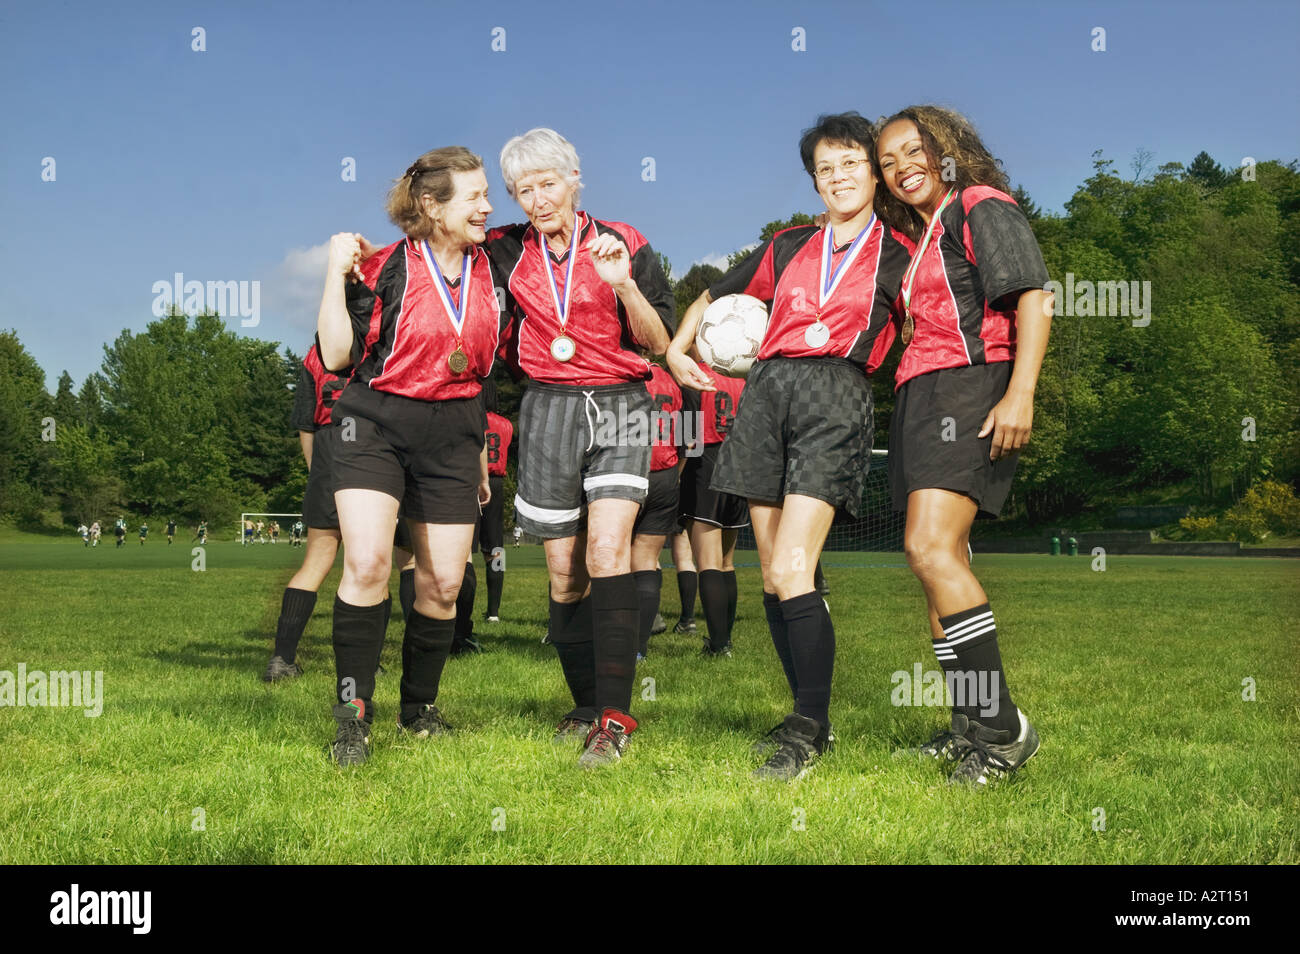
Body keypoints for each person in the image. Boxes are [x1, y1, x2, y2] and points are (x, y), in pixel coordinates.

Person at [668, 112, 911, 781]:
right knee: (774, 574)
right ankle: (804, 713)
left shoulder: (901, 251)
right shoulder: (788, 245)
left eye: (851, 163)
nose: (838, 177)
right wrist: (676, 344)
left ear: (875, 171)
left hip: (835, 395)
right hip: (765, 395)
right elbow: (715, 293)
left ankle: (809, 726)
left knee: (796, 565)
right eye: (825, 168)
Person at [873, 106, 1051, 786]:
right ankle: (969, 725)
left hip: (974, 388)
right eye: (887, 161)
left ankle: (1005, 732)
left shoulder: (981, 205)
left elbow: (1033, 298)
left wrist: (1020, 393)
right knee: (932, 567)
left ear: (947, 148)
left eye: (912, 150)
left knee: (929, 547)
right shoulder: (918, 235)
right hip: (920, 396)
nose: (900, 167)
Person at [486, 127, 673, 767]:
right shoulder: (506, 251)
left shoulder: (624, 240)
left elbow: (655, 340)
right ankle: (587, 703)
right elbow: (444, 243)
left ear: (574, 180)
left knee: (606, 549)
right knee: (565, 575)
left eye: (548, 182)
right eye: (523, 188)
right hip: (546, 407)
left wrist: (622, 283)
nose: (538, 198)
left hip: (621, 401)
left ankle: (616, 720)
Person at [316, 145, 499, 766]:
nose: (487, 206)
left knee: (444, 583)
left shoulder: (497, 263)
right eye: (475, 196)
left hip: (455, 432)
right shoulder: (382, 267)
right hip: (375, 424)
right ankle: (352, 716)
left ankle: (418, 708)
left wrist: (476, 452)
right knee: (367, 564)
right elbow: (338, 356)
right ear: (431, 205)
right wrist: (332, 275)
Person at [263, 342, 352, 683]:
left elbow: (305, 425)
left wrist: (318, 470)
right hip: (373, 445)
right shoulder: (377, 337)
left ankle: (282, 659)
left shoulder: (315, 355)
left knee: (316, 560)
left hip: (329, 444)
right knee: (369, 562)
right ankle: (367, 660)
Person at [679, 356, 748, 657]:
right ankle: (725, 640)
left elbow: (687, 438)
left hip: (706, 466)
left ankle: (719, 646)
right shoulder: (745, 380)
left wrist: (675, 479)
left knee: (707, 561)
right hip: (741, 467)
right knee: (726, 561)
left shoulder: (694, 378)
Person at [630, 359, 685, 660]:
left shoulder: (619, 370)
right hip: (665, 472)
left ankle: (613, 639)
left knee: (612, 559)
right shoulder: (670, 379)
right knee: (647, 560)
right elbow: (688, 439)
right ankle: (639, 648)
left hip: (626, 470)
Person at [480, 380, 512, 624]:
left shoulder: (470, 419)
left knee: (463, 550)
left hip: (473, 482)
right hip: (497, 484)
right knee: (496, 549)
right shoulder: (506, 425)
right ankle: (494, 611)